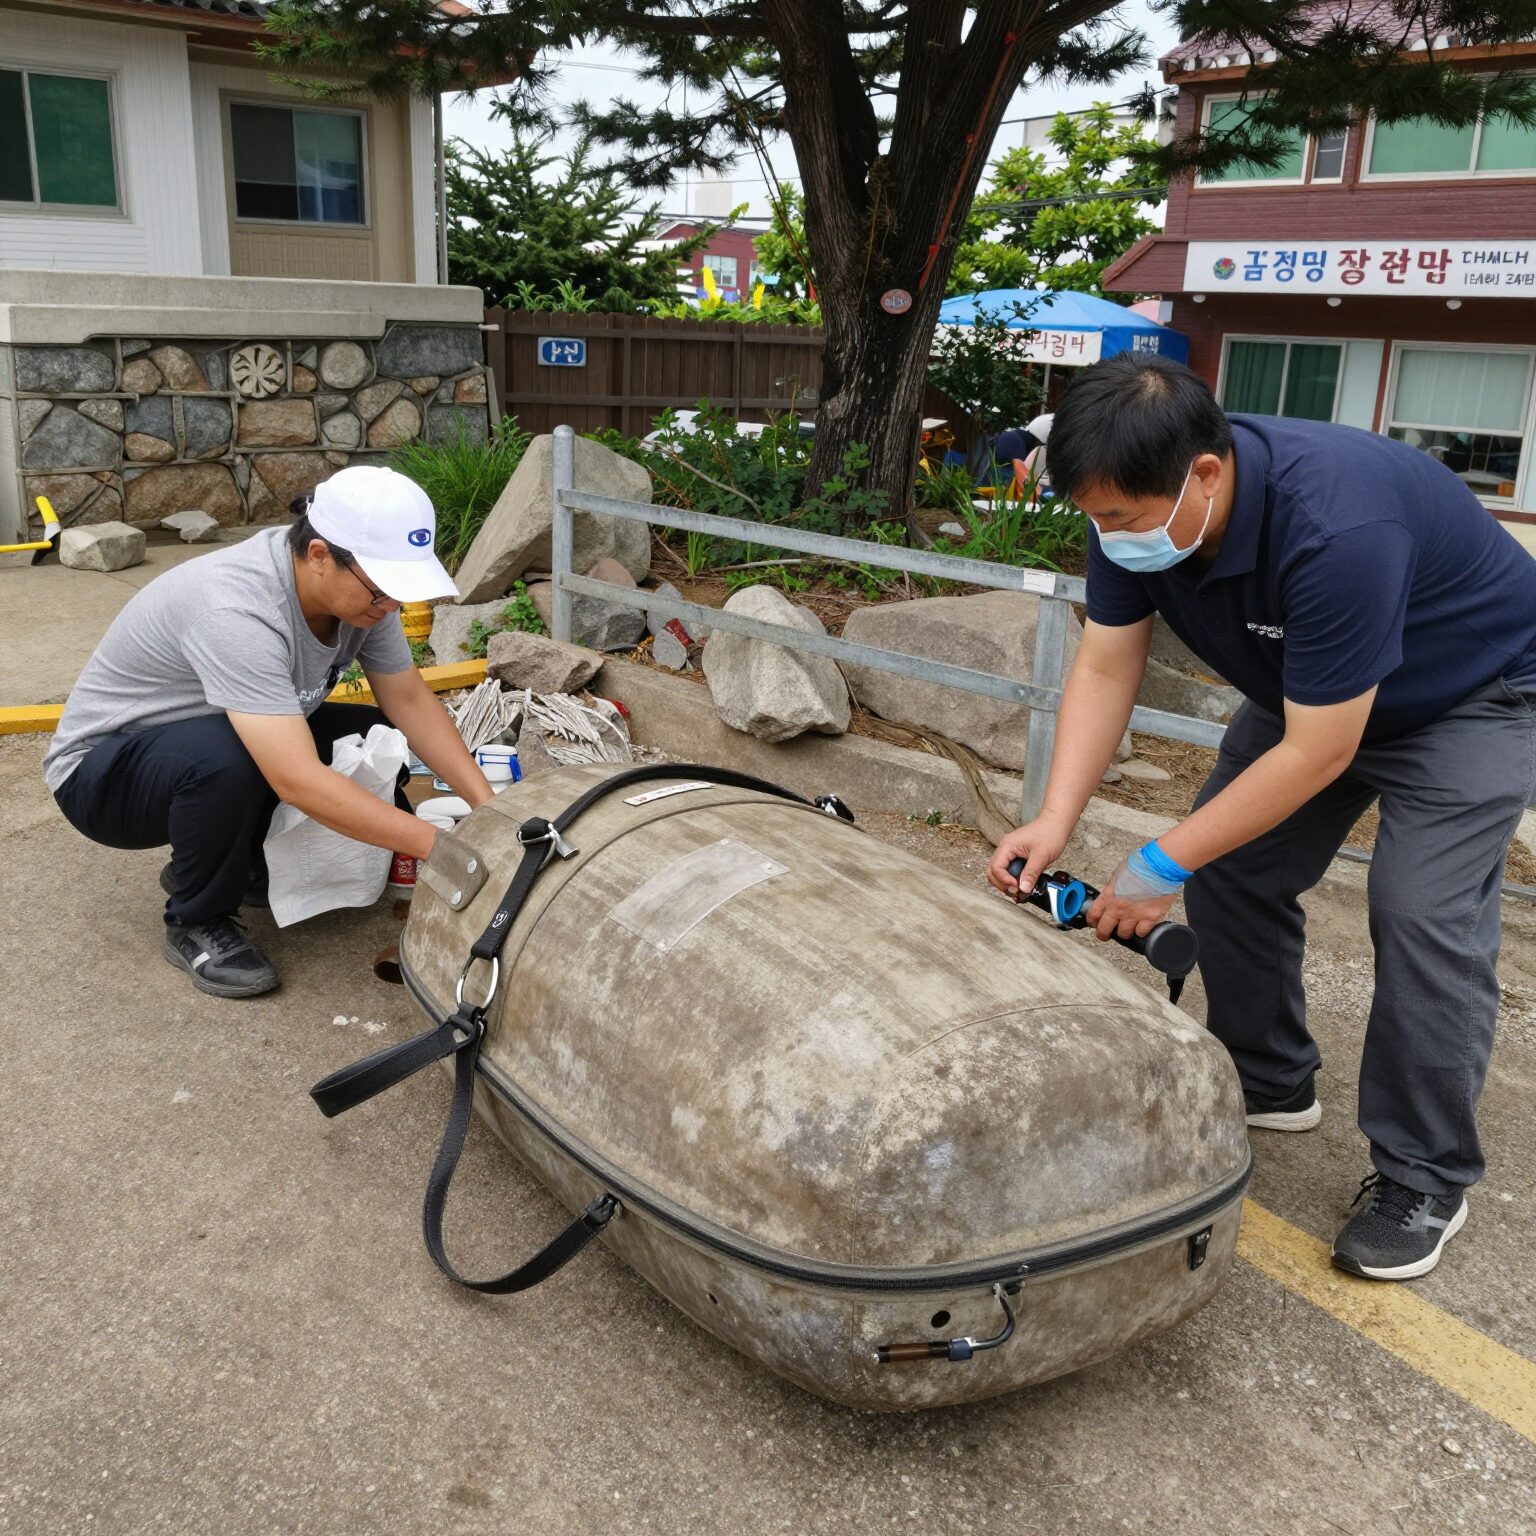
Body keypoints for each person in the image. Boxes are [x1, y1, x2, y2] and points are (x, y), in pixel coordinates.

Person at [986, 354, 1536, 1282]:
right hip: (1312, 696)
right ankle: (1271, 1075)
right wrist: (1055, 818)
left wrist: (1158, 865)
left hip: (1470, 695)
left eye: (1118, 518)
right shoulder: (1132, 512)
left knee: (1420, 909)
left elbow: (1320, 752)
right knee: (1233, 866)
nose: (1106, 534)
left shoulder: (1337, 523)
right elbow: (1109, 666)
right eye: (1094, 516)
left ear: (1205, 472)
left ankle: (1424, 1174)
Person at [45, 465, 494, 1000]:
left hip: (200, 741)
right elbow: (296, 780)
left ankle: (240, 866)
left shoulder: (365, 594)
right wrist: (442, 850)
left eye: (398, 592)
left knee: (373, 735)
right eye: (381, 593)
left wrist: (489, 811)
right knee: (225, 758)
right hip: (105, 778)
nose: (390, 607)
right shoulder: (235, 606)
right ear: (321, 554)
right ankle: (197, 920)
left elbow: (410, 701)